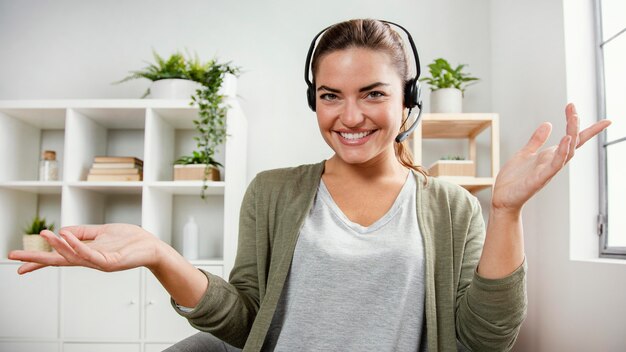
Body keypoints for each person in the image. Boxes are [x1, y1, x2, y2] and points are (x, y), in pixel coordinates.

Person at [9, 19, 611, 352]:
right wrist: (161, 256)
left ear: (408, 103)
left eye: (373, 93)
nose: (349, 117)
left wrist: (505, 211)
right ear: (314, 102)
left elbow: (485, 339)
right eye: (331, 96)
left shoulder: (453, 207)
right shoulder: (273, 193)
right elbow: (244, 321)